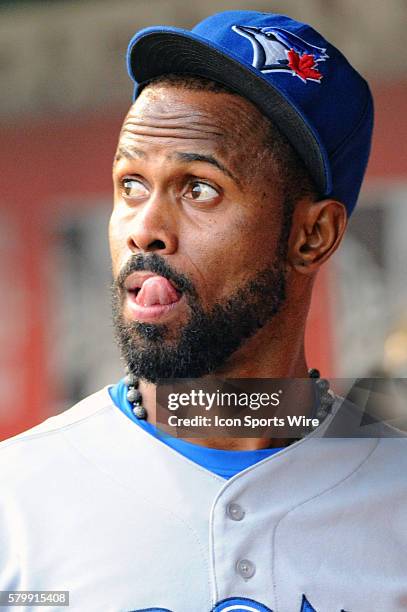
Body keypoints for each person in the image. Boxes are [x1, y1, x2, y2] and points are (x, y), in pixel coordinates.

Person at [1, 10, 406, 612]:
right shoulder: (16, 501)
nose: (146, 230)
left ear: (312, 236)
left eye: (199, 189)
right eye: (131, 185)